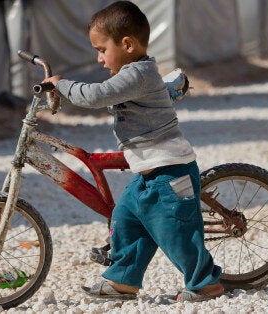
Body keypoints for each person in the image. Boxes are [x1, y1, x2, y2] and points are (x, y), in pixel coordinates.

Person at [42, 1, 223, 302]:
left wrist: (61, 85)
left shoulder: (137, 75)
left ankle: (205, 283)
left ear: (126, 44)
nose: (99, 59)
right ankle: (123, 281)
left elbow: (96, 95)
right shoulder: (133, 75)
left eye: (101, 49)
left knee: (175, 233)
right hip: (147, 173)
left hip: (169, 172)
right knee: (126, 220)